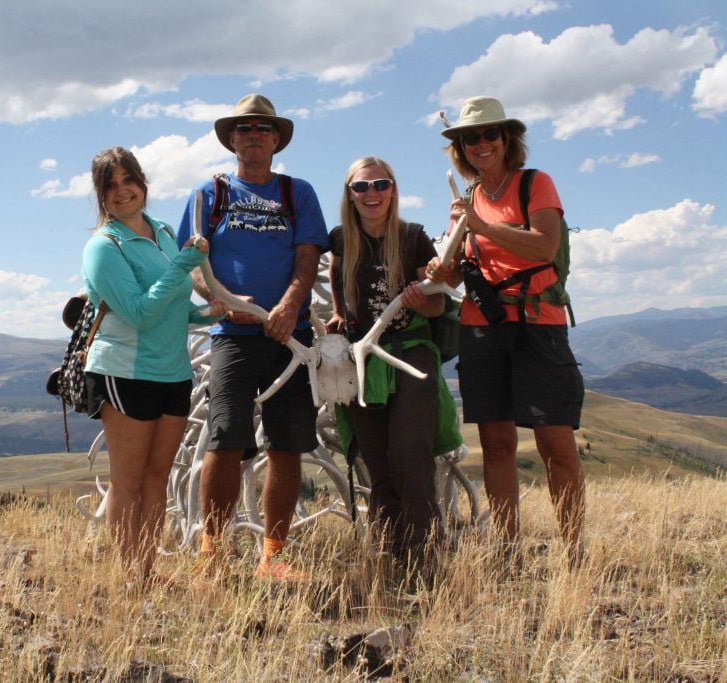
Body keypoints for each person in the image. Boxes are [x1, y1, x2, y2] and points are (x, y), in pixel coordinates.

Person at [426, 96, 585, 564]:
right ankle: (507, 548)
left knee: (555, 441)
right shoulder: (468, 200)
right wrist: (446, 265)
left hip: (538, 324)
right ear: (460, 148)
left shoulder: (535, 184)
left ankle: (574, 548)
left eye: (489, 134)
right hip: (482, 326)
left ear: (507, 139)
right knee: (496, 443)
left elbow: (544, 246)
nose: (480, 144)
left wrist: (478, 226)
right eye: (469, 137)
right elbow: (458, 275)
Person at [177, 94, 329, 580]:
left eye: (263, 128)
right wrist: (217, 297)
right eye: (244, 129)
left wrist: (288, 306)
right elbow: (193, 262)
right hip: (232, 336)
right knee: (223, 440)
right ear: (232, 139)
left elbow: (308, 258)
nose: (254, 136)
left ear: (277, 138)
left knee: (286, 446)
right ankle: (212, 552)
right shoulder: (209, 194)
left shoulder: (296, 193)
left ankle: (274, 556)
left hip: (290, 337)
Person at [81, 147, 222, 588]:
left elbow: (172, 306)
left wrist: (207, 315)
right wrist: (183, 262)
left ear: (142, 182)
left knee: (158, 476)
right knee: (128, 480)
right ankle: (132, 578)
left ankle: (147, 571)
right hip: (126, 372)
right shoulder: (103, 248)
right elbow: (140, 312)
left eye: (129, 180)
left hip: (174, 372)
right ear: (101, 196)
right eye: (111, 185)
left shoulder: (161, 232)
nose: (122, 191)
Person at [326, 156, 458, 578]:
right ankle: (388, 554)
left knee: (411, 453)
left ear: (393, 190)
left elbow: (439, 300)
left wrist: (426, 300)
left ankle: (424, 558)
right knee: (376, 458)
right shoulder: (340, 239)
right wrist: (336, 314)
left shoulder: (414, 237)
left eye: (380, 185)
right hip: (361, 357)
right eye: (361, 187)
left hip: (408, 351)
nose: (372, 194)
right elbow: (335, 279)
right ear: (349, 194)